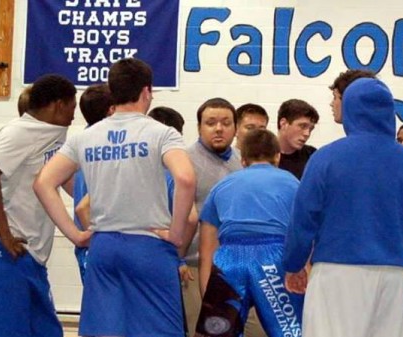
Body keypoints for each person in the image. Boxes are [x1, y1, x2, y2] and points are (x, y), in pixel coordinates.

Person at [33, 58, 196, 337]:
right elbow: (185, 178)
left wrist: (75, 234)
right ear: (147, 92)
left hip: (104, 245)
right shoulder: (161, 133)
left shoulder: (87, 136)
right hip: (148, 245)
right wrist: (177, 233)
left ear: (113, 91)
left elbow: (43, 183)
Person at [283, 78, 403, 337]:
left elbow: (303, 219)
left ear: (352, 107)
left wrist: (294, 263)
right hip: (393, 274)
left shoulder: (326, 158)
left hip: (337, 271)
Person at [0, 74, 80, 337]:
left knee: (46, 331)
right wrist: (5, 235)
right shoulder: (20, 131)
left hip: (32, 255)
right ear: (58, 104)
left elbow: (67, 181)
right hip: (4, 250)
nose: (74, 114)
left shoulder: (55, 134)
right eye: (73, 105)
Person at [196, 129, 303, 337]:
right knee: (291, 332)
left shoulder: (221, 186)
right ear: (277, 156)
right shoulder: (292, 182)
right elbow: (304, 234)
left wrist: (209, 298)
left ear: (242, 160)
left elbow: (207, 249)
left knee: (216, 334)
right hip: (273, 257)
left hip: (229, 259)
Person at [183, 97, 243, 337]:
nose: (219, 128)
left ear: (235, 128)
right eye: (211, 122)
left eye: (226, 122)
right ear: (199, 127)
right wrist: (177, 259)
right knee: (203, 331)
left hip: (235, 265)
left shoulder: (242, 160)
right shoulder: (183, 160)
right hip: (193, 264)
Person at [73, 83, 114, 283]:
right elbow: (82, 208)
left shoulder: (81, 141)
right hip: (97, 242)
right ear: (112, 110)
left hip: (88, 243)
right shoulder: (105, 146)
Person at [277, 99, 319, 180]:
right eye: (302, 126)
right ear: (283, 124)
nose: (307, 133)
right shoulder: (262, 155)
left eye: (311, 129)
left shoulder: (312, 156)